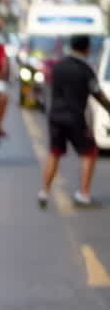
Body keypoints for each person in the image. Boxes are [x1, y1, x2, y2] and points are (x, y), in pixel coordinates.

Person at [39, 34, 110, 206]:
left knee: (54, 153)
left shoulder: (58, 67)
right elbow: (97, 94)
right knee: (90, 152)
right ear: (86, 49)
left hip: (55, 117)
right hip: (75, 118)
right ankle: (84, 195)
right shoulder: (85, 70)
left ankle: (44, 192)